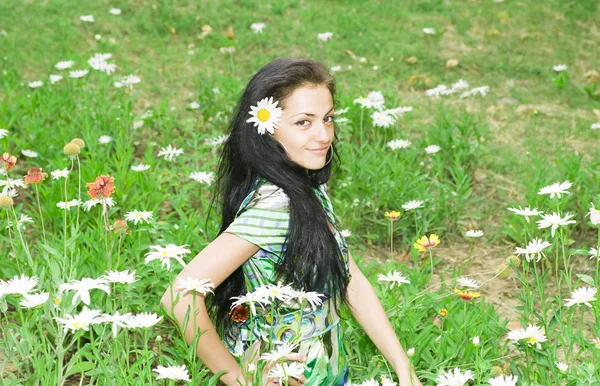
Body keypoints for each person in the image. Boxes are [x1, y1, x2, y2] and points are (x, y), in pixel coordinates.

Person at [160, 57, 421, 386]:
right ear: (267, 129)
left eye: (328, 119)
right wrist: (240, 379)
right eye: (303, 122)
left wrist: (403, 367)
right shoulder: (275, 205)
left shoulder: (307, 186)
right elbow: (180, 297)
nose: (323, 135)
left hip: (327, 372)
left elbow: (349, 277)